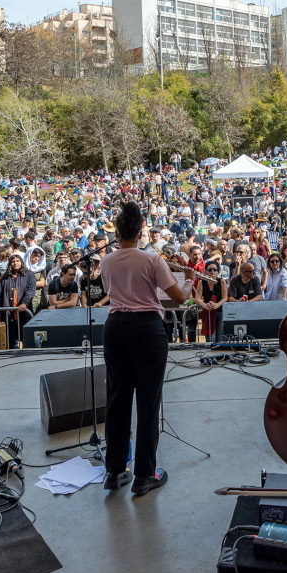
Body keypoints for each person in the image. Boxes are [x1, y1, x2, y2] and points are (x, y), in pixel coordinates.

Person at [98, 201, 190, 496]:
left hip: (115, 329)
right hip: (147, 329)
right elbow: (179, 298)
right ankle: (144, 476)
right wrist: (189, 280)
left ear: (118, 231)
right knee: (148, 403)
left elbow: (113, 292)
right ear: (140, 231)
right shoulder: (151, 260)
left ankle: (114, 472)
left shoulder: (106, 261)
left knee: (117, 400)